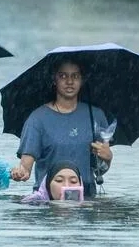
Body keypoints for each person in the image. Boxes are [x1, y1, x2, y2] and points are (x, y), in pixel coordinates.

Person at [10, 58, 113, 199]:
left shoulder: (95, 115)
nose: (69, 81)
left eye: (75, 76)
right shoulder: (37, 119)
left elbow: (100, 169)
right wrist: (20, 172)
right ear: (54, 79)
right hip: (49, 198)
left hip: (86, 196)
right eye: (63, 76)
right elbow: (25, 167)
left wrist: (108, 158)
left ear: (82, 80)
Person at [20, 161, 84, 203]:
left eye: (73, 182)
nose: (66, 186)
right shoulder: (31, 202)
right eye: (59, 180)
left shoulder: (88, 206)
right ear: (47, 185)